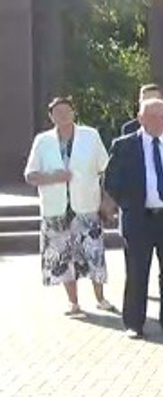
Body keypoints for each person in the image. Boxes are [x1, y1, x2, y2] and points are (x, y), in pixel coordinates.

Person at [103, 98, 163, 339]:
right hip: (140, 218)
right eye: (152, 116)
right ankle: (134, 323)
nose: (159, 121)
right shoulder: (124, 145)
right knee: (137, 272)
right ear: (140, 118)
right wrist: (128, 204)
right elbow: (111, 181)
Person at [24, 97, 114, 316]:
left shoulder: (90, 136)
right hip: (56, 208)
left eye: (66, 111)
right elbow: (30, 175)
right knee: (64, 257)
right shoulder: (43, 141)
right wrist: (53, 177)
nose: (62, 116)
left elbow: (105, 168)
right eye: (57, 112)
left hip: (86, 205)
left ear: (74, 113)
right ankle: (73, 302)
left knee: (93, 253)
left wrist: (106, 198)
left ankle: (101, 298)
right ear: (51, 116)